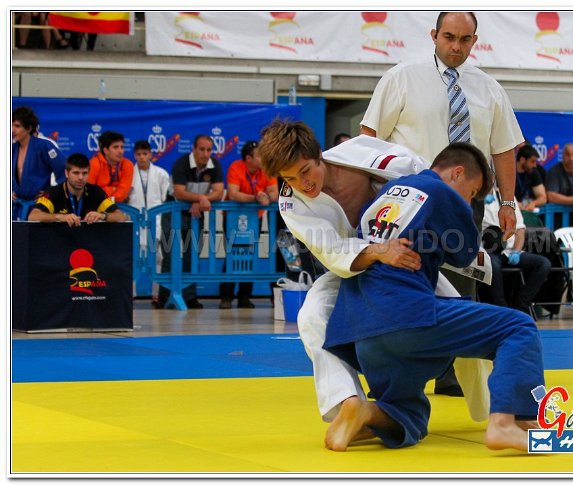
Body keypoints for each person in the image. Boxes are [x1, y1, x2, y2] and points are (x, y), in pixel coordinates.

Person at [258, 120, 493, 433]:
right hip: (351, 267)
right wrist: (378, 251)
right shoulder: (291, 202)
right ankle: (349, 404)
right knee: (311, 316)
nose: (302, 183)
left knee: (461, 313)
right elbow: (331, 250)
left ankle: (489, 407)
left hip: (406, 259)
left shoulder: (361, 152)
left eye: (305, 171)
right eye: (289, 178)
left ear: (319, 155)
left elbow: (427, 177)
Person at [323, 143, 544, 452]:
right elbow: (465, 254)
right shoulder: (440, 191)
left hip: (361, 331)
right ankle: (508, 422)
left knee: (409, 415)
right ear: (457, 173)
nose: (468, 200)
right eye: (472, 192)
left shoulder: (388, 191)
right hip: (403, 315)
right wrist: (466, 216)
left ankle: (364, 412)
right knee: (518, 327)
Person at [360, 10, 523, 395]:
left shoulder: (489, 88)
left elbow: (503, 149)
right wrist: (369, 192)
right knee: (402, 280)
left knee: (464, 280)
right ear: (434, 35)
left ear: (475, 41)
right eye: (449, 37)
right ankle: (391, 375)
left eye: (465, 40)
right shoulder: (401, 77)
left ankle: (452, 373)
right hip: (409, 199)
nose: (456, 46)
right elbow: (369, 137)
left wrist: (508, 203)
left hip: (466, 200)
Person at [157, 135, 225, 310]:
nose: (205, 153)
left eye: (209, 150)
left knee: (192, 254)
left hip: (196, 212)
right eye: (201, 149)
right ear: (193, 149)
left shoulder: (215, 166)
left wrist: (199, 201)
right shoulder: (181, 164)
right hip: (173, 210)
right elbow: (179, 192)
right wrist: (201, 198)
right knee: (170, 253)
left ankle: (190, 297)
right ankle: (164, 297)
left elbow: (218, 193)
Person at [219, 140, 278, 309]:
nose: (263, 158)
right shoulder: (236, 167)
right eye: (259, 155)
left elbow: (274, 192)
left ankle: (244, 296)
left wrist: (267, 197)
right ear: (248, 158)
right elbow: (233, 193)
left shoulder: (266, 169)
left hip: (254, 219)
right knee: (233, 253)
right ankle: (226, 296)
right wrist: (255, 198)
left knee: (250, 254)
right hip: (232, 218)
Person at [481, 186, 551, 315]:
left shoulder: (508, 198)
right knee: (493, 265)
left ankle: (521, 304)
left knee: (543, 264)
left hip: (509, 251)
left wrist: (517, 251)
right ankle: (502, 309)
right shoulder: (474, 198)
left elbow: (520, 229)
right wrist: (479, 204)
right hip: (486, 250)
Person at [127, 140, 171, 306]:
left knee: (158, 258)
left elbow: (166, 198)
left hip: (156, 222)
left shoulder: (161, 174)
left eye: (145, 154)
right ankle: (130, 293)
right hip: (135, 221)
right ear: (134, 155)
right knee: (132, 259)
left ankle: (156, 295)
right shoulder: (128, 174)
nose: (142, 157)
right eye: (139, 154)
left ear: (151, 154)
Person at [28, 153, 127, 224]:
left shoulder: (96, 191)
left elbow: (121, 216)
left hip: (89, 243)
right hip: (61, 242)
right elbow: (33, 216)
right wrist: (59, 217)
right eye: (76, 173)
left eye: (84, 173)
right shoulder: (53, 192)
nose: (80, 177)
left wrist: (103, 216)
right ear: (66, 173)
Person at [12, 106, 66, 219]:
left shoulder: (45, 147)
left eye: (17, 126)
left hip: (39, 207)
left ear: (28, 128)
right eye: (11, 125)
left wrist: (50, 193)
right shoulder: (11, 149)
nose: (12, 130)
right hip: (16, 208)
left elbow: (64, 173)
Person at [88, 131, 134, 203]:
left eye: (122, 147)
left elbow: (122, 194)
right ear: (105, 150)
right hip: (96, 205)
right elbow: (90, 192)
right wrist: (113, 189)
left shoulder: (127, 164)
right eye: (115, 147)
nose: (120, 151)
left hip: (119, 205)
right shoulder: (94, 164)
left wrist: (104, 190)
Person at [514, 144, 547, 211]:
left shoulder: (533, 172)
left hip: (528, 210)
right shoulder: (509, 172)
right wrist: (516, 204)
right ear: (522, 160)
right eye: (532, 161)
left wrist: (533, 203)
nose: (535, 165)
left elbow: (543, 198)